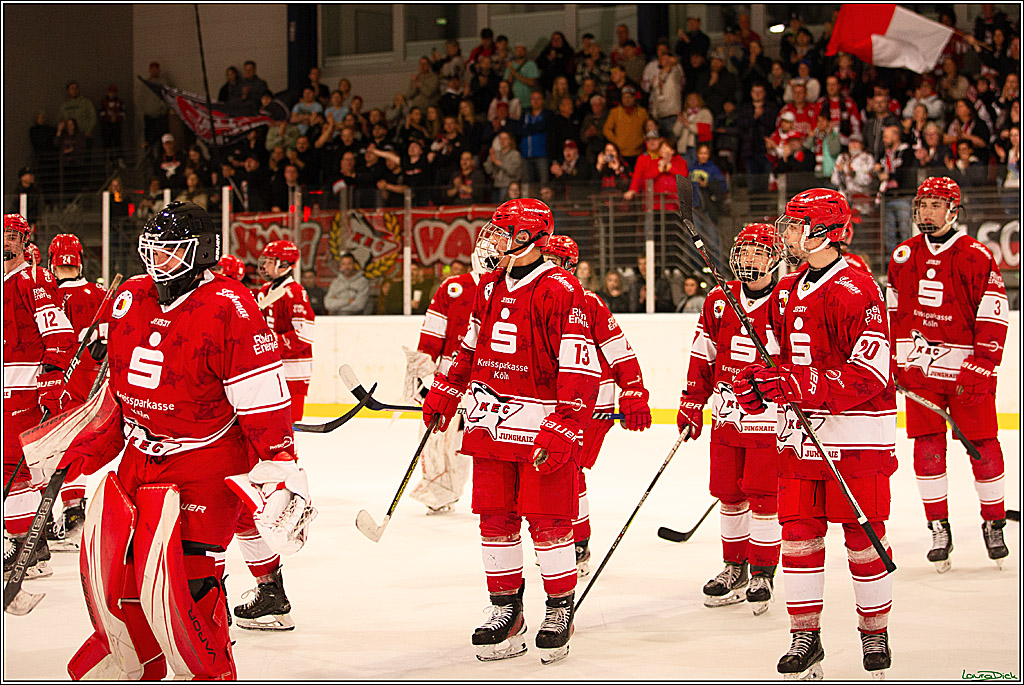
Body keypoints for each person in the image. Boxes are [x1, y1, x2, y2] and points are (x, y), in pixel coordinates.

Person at [46, 202, 309, 679]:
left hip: (204, 462)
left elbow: (262, 400)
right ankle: (143, 667)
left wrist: (280, 469)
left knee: (187, 581)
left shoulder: (230, 306)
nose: (155, 261)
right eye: (152, 250)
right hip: (140, 458)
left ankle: (209, 672)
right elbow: (118, 392)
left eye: (168, 252)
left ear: (202, 252)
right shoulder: (129, 296)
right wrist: (84, 447)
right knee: (120, 576)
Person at [420, 198, 600, 665]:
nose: (493, 240)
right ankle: (507, 609)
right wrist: (445, 389)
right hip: (490, 426)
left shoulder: (561, 289)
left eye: (504, 232)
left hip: (540, 430)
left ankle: (560, 609)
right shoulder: (490, 286)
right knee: (495, 520)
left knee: (548, 523)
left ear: (529, 238)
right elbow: (468, 347)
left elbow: (581, 368)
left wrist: (565, 424)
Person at [733, 189, 896, 680]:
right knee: (799, 537)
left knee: (862, 542)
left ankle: (875, 636)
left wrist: (796, 383)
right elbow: (778, 359)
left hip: (855, 441)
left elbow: (873, 373)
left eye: (795, 223)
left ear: (822, 231)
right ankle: (806, 637)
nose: (785, 233)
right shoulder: (786, 290)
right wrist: (757, 384)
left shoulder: (859, 289)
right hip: (799, 438)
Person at [886, 177, 1010, 573]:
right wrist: (894, 361)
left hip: (966, 374)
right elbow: (891, 317)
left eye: (936, 204)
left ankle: (994, 522)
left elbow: (993, 313)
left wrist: (983, 364)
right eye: (922, 204)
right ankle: (939, 527)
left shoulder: (975, 254)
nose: (926, 211)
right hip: (921, 372)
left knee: (984, 447)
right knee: (926, 449)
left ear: (954, 210)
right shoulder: (902, 255)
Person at [679, 224, 784, 614]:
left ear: (775, 258)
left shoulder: (788, 300)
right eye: (744, 251)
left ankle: (762, 570)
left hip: (769, 417)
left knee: (763, 495)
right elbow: (702, 354)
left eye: (759, 252)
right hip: (726, 416)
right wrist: (692, 399)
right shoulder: (718, 300)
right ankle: (733, 566)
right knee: (729, 492)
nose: (749, 259)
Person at [542, 235, 651, 575]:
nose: (546, 265)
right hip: (554, 404)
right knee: (554, 470)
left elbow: (619, 349)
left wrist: (633, 390)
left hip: (593, 405)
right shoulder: (534, 299)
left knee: (569, 469)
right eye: (543, 257)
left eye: (554, 260)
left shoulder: (588, 302)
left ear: (570, 266)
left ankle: (578, 542)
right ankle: (564, 535)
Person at [3, 214, 75, 579]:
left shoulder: (34, 278)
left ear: (26, 241)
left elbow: (59, 335)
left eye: (13, 236)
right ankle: (35, 543)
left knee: (14, 468)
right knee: (15, 470)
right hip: (7, 388)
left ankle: (23, 545)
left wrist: (51, 377)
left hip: (23, 387)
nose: (7, 241)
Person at [45, 233, 109, 550]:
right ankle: (74, 511)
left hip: (61, 384)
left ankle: (53, 515)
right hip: (94, 383)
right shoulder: (101, 293)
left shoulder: (50, 296)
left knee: (55, 449)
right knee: (79, 448)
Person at [406, 255, 484, 514]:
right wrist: (422, 371)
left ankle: (498, 499)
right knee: (442, 436)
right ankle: (441, 490)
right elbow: (432, 333)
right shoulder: (454, 287)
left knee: (488, 443)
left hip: (497, 380)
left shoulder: (513, 288)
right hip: (452, 378)